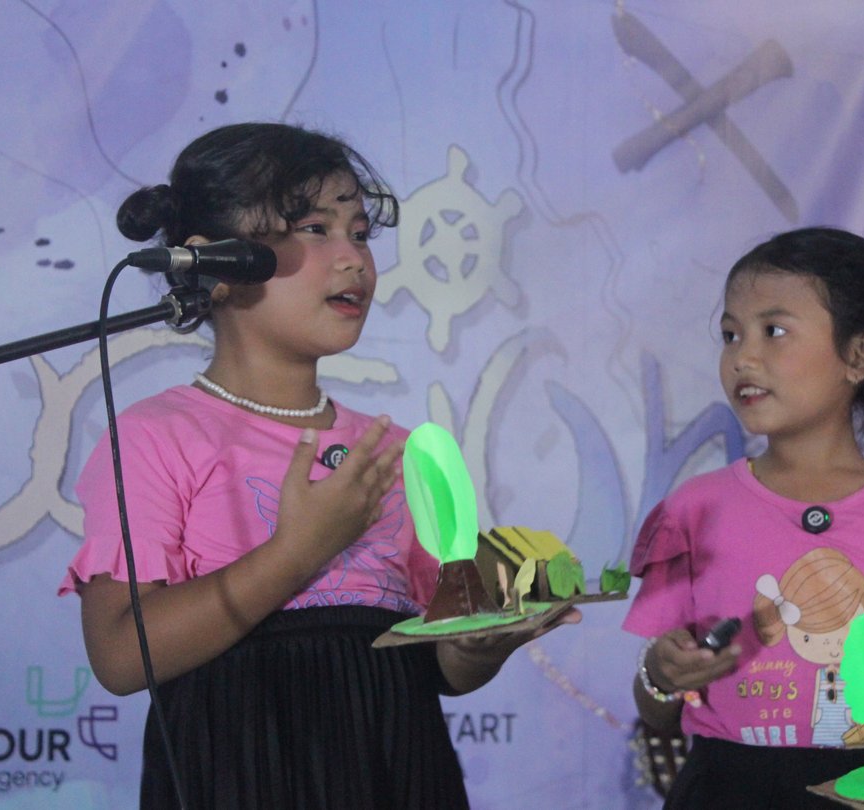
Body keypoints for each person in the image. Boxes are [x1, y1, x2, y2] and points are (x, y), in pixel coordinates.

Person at [58, 122, 576, 810]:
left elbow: (436, 661)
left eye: (359, 233)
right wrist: (298, 551)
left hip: (398, 765)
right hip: (244, 766)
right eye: (313, 229)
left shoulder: (391, 451)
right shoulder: (157, 436)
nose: (353, 259)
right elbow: (122, 657)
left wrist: (479, 646)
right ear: (218, 267)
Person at [622, 227, 864, 807]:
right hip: (723, 791)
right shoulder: (692, 511)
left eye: (773, 331)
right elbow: (656, 711)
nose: (742, 357)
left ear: (861, 353)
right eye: (730, 334)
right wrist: (662, 676)